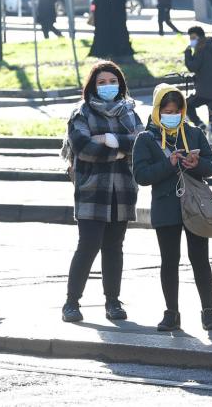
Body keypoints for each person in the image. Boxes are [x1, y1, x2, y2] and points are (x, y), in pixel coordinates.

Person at [62, 61, 144, 324]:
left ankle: (112, 301)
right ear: (92, 86)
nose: (108, 86)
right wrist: (120, 150)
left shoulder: (130, 112)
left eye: (112, 81)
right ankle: (71, 302)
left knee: (114, 248)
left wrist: (109, 141)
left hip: (122, 189)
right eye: (101, 82)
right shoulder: (81, 113)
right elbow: (83, 147)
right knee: (88, 246)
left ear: (120, 84)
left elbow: (142, 143)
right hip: (92, 190)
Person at [133, 84, 212, 331]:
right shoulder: (146, 138)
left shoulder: (193, 133)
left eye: (176, 110)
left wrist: (196, 163)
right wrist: (169, 164)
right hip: (166, 207)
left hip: (195, 205)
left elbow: (211, 166)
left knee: (200, 258)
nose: (172, 115)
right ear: (158, 110)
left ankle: (209, 311)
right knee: (169, 261)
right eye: (167, 110)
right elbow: (141, 174)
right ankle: (171, 312)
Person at [183, 26, 212, 130]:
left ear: (199, 37)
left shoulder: (201, 49)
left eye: (192, 38)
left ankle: (200, 125)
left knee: (186, 105)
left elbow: (193, 66)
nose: (191, 40)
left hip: (205, 93)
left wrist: (187, 53)